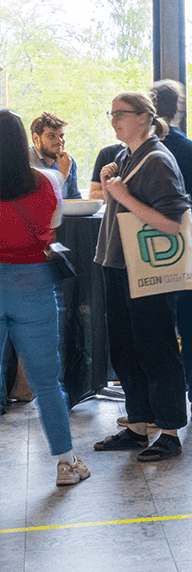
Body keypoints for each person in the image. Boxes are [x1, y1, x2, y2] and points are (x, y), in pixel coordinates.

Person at [91, 91, 191, 461]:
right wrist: (111, 186)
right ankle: (137, 426)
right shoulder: (123, 156)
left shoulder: (158, 159)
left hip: (146, 272)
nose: (114, 119)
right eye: (111, 113)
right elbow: (122, 209)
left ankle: (169, 432)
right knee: (125, 348)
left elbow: (172, 225)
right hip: (117, 266)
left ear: (144, 117)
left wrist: (121, 194)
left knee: (157, 348)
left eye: (121, 113)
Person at [0, 109, 90, 486]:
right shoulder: (48, 179)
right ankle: (67, 463)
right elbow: (52, 226)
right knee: (47, 382)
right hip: (32, 282)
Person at [152, 79, 192, 422]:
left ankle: (157, 402)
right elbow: (187, 197)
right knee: (189, 323)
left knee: (154, 322)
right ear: (177, 109)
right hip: (184, 238)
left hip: (148, 240)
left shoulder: (142, 149)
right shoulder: (191, 150)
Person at [28, 111, 81, 199]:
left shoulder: (67, 161)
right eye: (51, 136)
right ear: (36, 139)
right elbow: (37, 202)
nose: (59, 141)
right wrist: (62, 176)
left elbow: (74, 198)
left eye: (61, 136)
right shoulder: (25, 162)